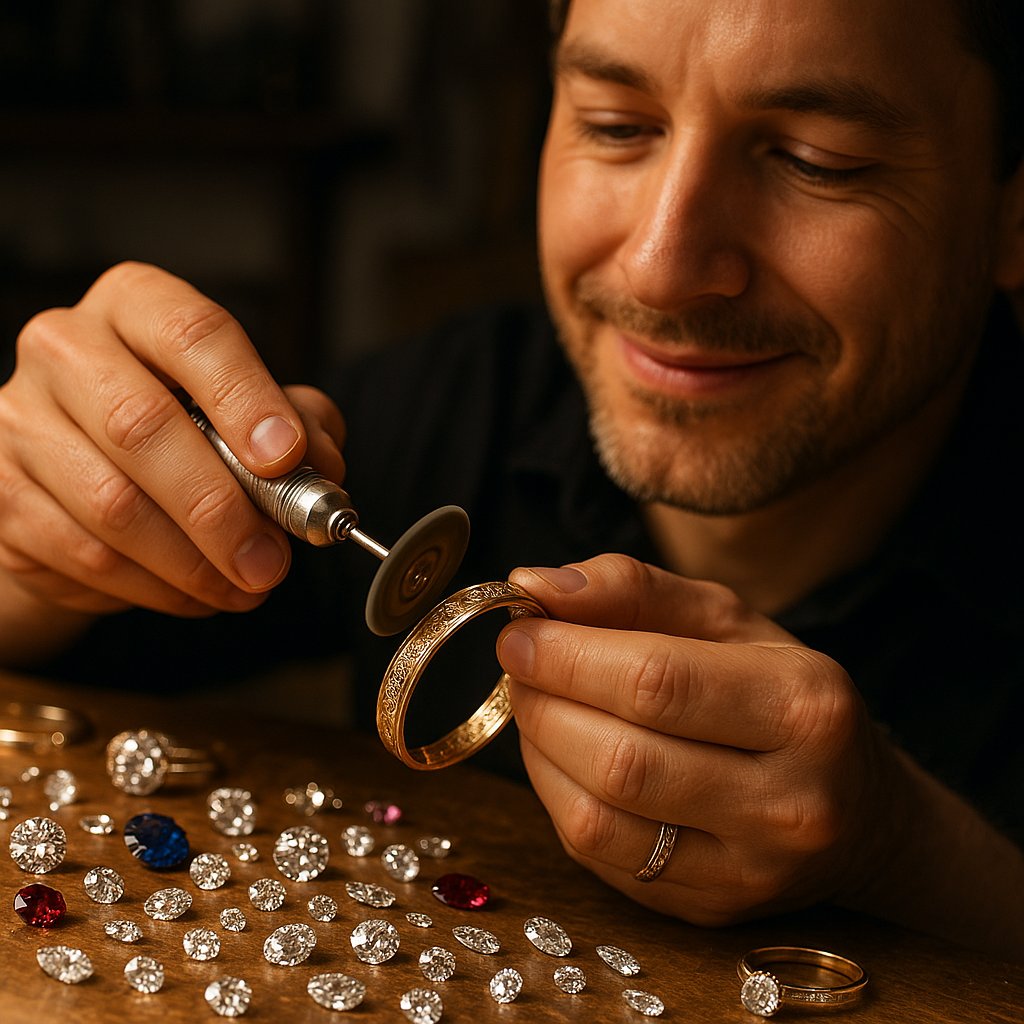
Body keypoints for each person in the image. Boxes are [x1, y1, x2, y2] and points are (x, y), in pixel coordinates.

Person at [1, 0, 1022, 959]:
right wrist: (32, 534)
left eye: (815, 160)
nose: (659, 266)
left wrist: (915, 856)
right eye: (617, 126)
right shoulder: (448, 407)